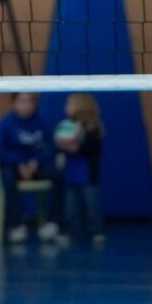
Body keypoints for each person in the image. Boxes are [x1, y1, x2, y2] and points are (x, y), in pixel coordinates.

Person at [0, 92, 63, 244]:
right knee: (7, 177)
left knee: (59, 176)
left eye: (29, 101)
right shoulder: (6, 123)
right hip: (14, 167)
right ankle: (17, 225)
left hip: (36, 167)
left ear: (35, 104)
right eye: (21, 101)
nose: (25, 105)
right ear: (14, 103)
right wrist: (19, 163)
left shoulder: (41, 122)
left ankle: (52, 224)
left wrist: (36, 161)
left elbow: (52, 147)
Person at [55, 93, 104, 245]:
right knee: (71, 206)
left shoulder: (92, 128)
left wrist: (77, 147)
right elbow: (59, 145)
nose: (66, 107)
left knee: (91, 204)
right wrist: (63, 145)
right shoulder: (66, 125)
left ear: (80, 106)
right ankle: (72, 231)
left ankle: (96, 231)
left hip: (87, 173)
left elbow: (92, 148)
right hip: (71, 172)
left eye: (69, 104)